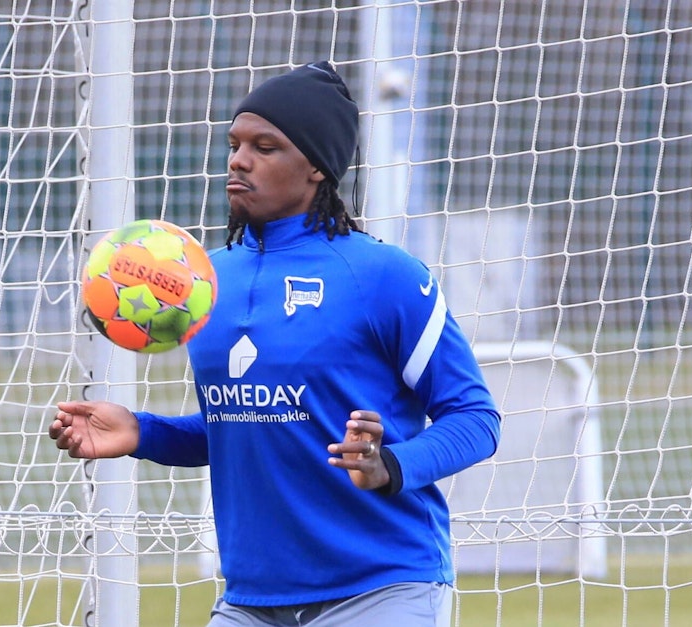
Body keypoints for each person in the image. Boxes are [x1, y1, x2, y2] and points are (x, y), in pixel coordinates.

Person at [48, 61, 502, 627]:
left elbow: (477, 419)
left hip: (381, 589)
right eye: (235, 143)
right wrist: (145, 432)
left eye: (265, 146)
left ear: (315, 167)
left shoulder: (383, 276)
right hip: (251, 600)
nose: (239, 160)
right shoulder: (203, 283)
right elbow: (247, 423)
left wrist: (390, 463)